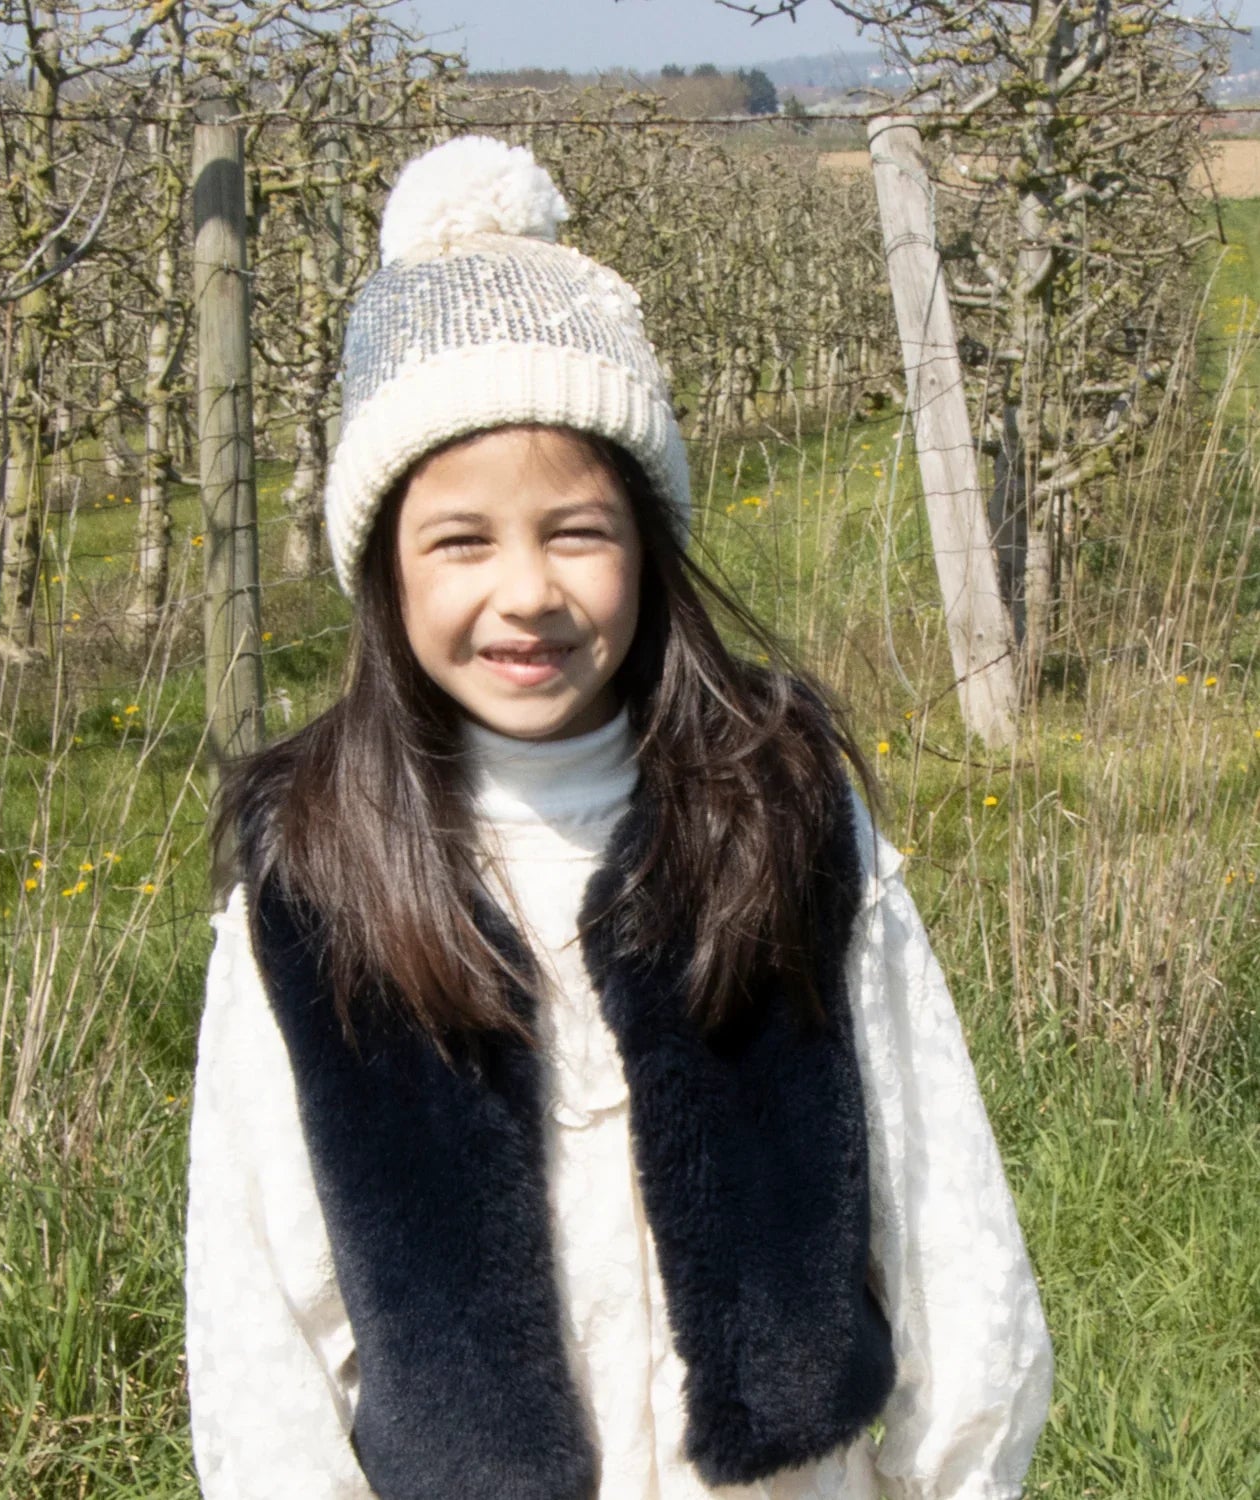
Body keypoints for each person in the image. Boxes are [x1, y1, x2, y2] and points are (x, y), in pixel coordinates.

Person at [185, 135, 1053, 1500]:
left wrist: (957, 1471)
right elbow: (264, 1319)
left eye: (577, 530)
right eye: (461, 540)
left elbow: (939, 1205)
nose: (527, 591)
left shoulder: (777, 819)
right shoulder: (321, 878)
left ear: (649, 543)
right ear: (385, 569)